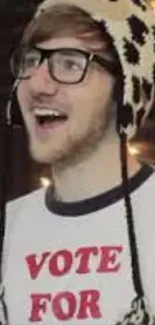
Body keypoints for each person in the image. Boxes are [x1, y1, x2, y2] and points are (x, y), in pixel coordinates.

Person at [1, 0, 155, 324]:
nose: (37, 85)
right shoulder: (9, 225)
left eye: (70, 64)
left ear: (125, 93)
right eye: (31, 61)